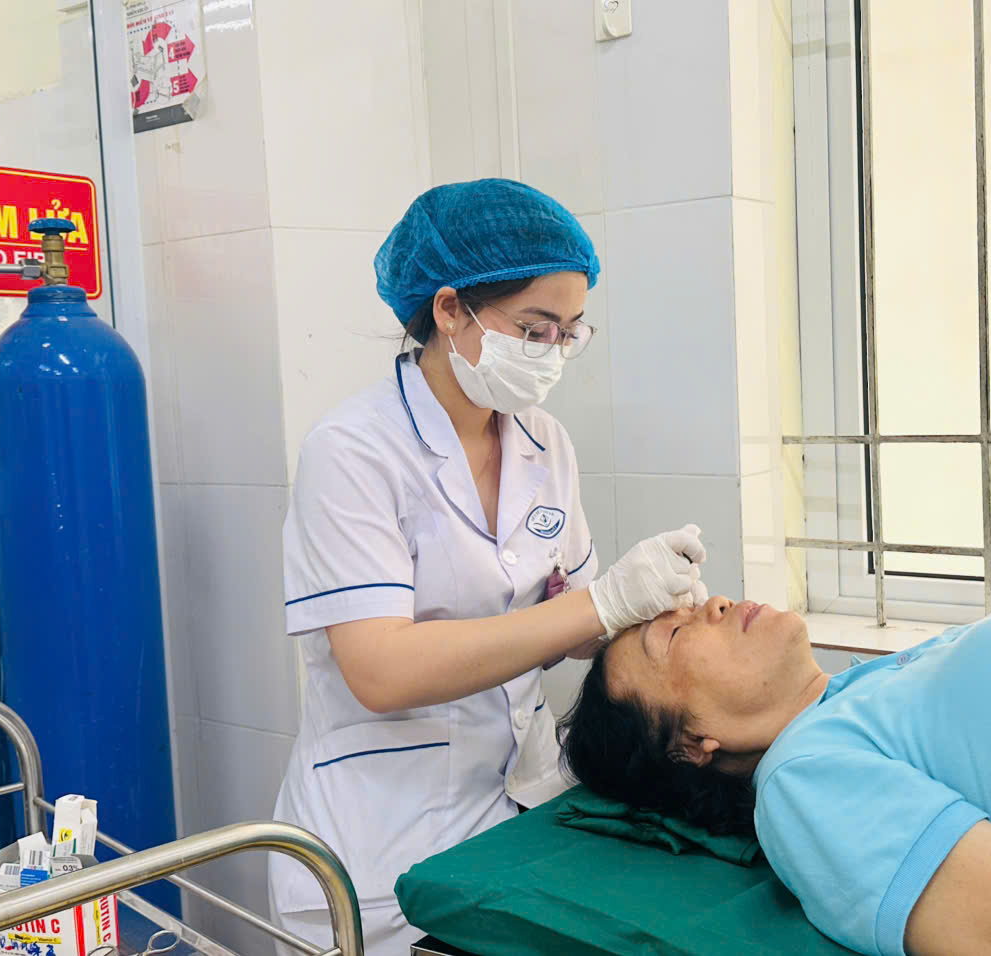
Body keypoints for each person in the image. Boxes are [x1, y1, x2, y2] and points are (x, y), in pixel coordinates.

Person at [268, 179, 709, 955]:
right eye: (534, 329)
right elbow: (381, 670)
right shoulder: (353, 451)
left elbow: (573, 622)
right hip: (379, 844)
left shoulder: (543, 441)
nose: (553, 352)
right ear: (450, 311)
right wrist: (602, 605)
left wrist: (648, 603)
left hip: (515, 814)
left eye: (570, 332)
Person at [560, 577, 991, 956]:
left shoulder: (878, 685)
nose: (713, 602)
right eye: (675, 633)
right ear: (691, 743)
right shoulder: (806, 780)